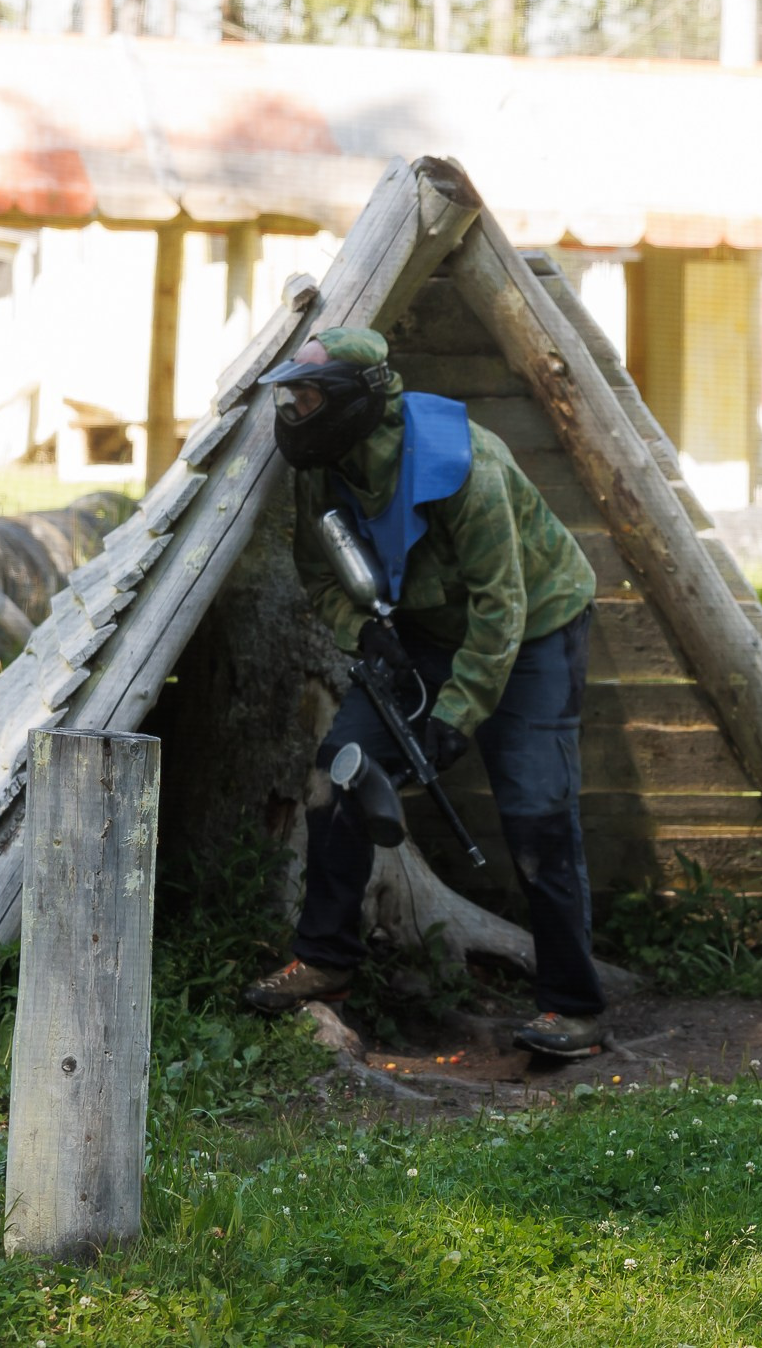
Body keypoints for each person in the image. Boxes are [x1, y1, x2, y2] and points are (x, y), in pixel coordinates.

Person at [239, 325, 607, 1057]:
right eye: (293, 396)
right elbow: (318, 572)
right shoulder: (323, 467)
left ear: (355, 400)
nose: (295, 411)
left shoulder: (468, 466)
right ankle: (326, 959)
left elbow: (504, 608)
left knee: (537, 811)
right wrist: (362, 631)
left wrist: (455, 715)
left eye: (309, 395)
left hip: (534, 628)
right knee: (336, 771)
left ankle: (575, 1005)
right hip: (418, 629)